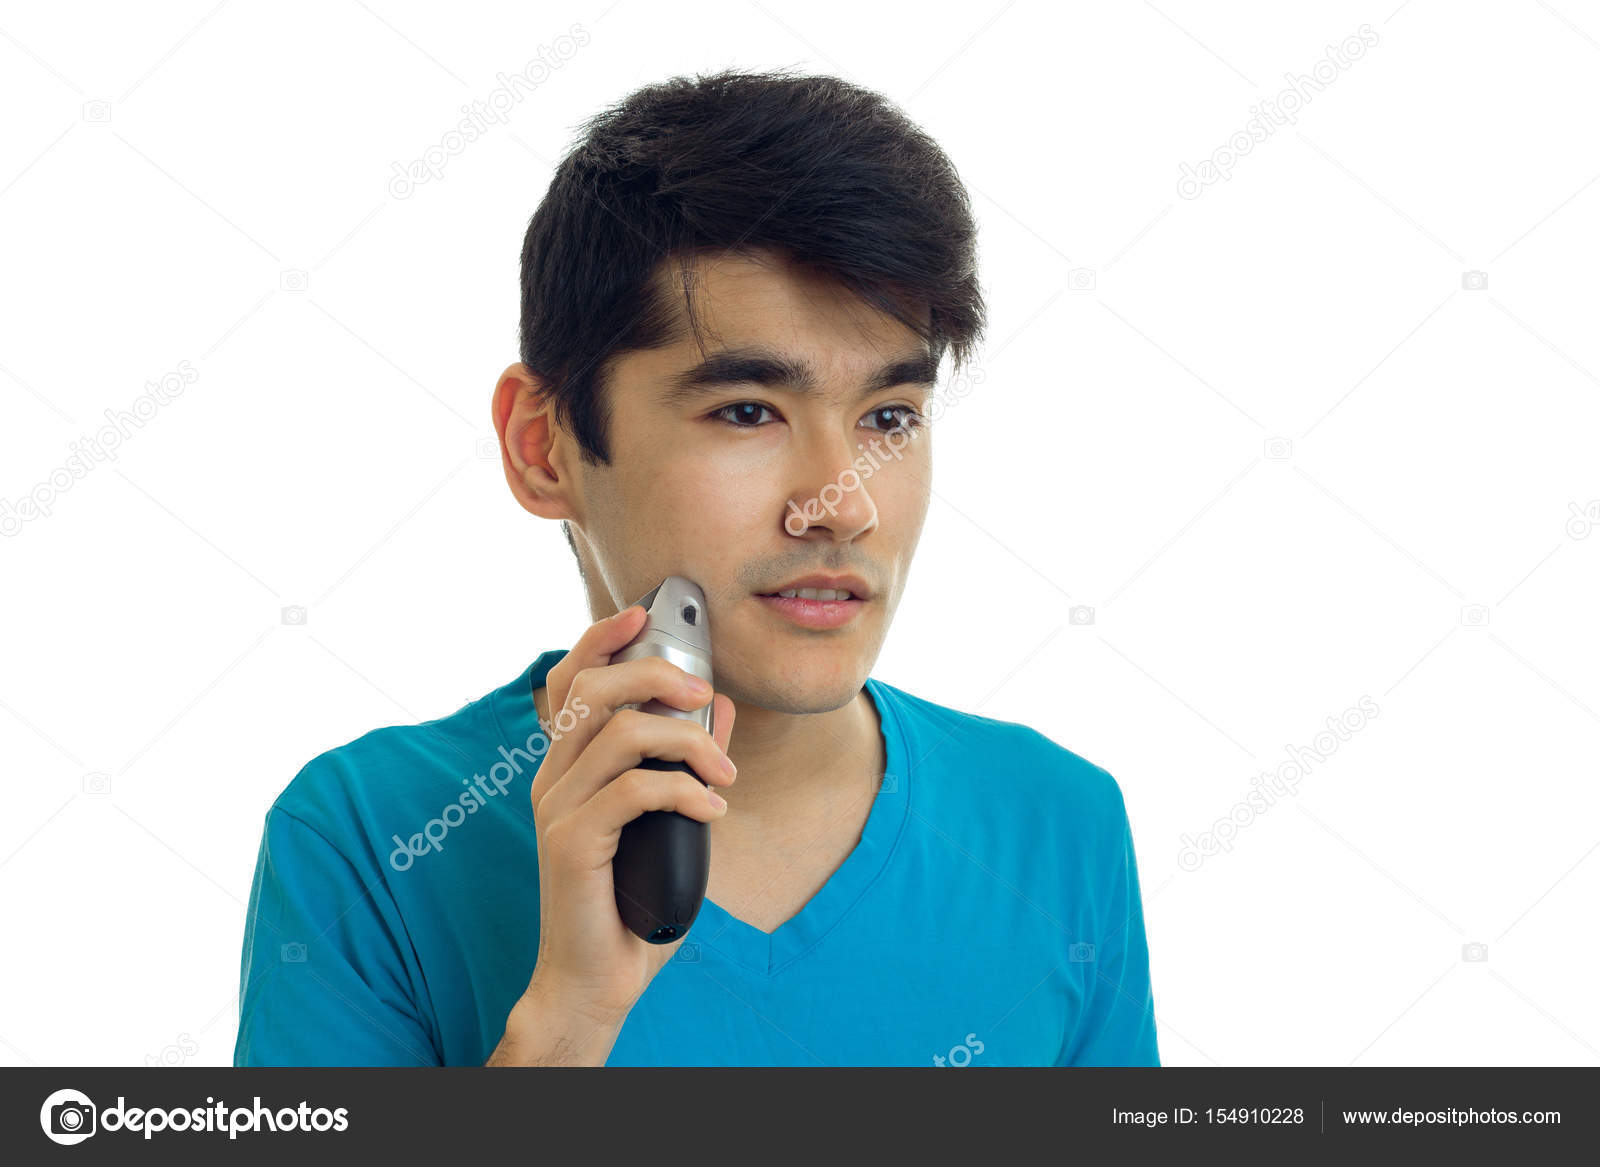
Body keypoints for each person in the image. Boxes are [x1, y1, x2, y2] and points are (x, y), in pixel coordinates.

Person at [234, 68, 1159, 1067]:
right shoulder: (368, 840)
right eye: (748, 412)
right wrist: (570, 1016)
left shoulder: (1057, 825)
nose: (841, 502)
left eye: (888, 417)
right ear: (543, 448)